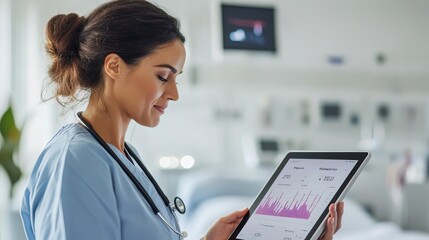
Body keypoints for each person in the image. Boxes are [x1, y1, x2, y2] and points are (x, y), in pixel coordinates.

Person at [20, 0, 344, 239]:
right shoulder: (75, 162)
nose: (174, 94)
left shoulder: (122, 156)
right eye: (163, 76)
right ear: (114, 67)